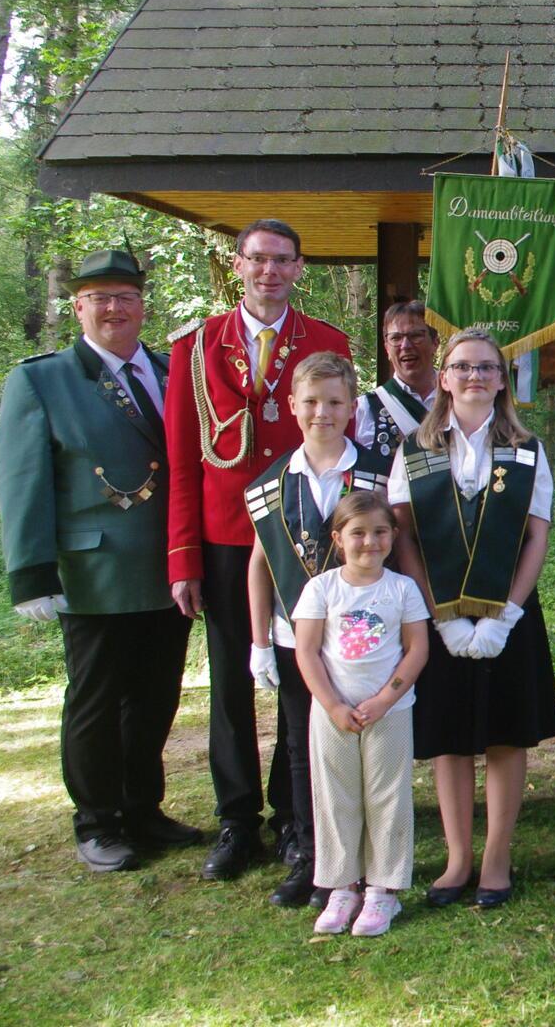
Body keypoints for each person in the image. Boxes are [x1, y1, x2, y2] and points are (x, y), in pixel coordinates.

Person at [0, 248, 201, 872]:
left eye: (127, 297)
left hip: (168, 569)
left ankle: (143, 809)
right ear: (78, 306)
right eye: (100, 298)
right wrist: (30, 573)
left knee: (157, 694)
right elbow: (23, 479)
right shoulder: (42, 380)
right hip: (96, 571)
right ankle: (98, 820)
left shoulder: (173, 373)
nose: (115, 309)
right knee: (96, 698)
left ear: (143, 306)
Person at [164, 218, 351, 880]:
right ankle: (236, 820)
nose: (269, 271)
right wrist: (182, 556)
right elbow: (183, 460)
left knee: (301, 679)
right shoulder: (195, 346)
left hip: (303, 534)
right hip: (225, 536)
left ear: (300, 268)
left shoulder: (327, 343)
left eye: (282, 260)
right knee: (232, 684)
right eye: (257, 259)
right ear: (237, 265)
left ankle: (294, 819)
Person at [388, 327, 555, 908]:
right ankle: (458, 857)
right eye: (462, 367)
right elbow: (404, 536)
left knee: (507, 733)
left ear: (501, 379)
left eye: (487, 368)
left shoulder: (528, 448)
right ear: (443, 377)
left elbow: (537, 537)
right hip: (437, 617)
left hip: (506, 615)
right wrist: (439, 619)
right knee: (450, 738)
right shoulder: (413, 448)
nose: (474, 377)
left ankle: (496, 856)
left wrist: (506, 616)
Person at [243, 352, 393, 908]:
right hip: (295, 641)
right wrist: (260, 642)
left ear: (352, 407)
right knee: (305, 749)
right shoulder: (269, 485)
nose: (321, 413)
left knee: (368, 746)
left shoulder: (382, 470)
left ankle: (371, 860)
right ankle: (314, 859)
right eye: (310, 402)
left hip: (368, 641)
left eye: (333, 402)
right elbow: (259, 564)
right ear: (292, 407)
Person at [291, 491, 431, 937]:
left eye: (379, 532)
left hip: (389, 713)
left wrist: (384, 700)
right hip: (333, 714)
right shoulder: (321, 589)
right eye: (358, 533)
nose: (369, 542)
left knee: (387, 796)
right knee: (336, 796)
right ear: (338, 538)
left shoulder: (403, 589)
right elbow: (307, 652)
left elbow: (417, 650)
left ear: (393, 536)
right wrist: (334, 705)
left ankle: (383, 891)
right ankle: (341, 886)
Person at [354, 300, 439, 459]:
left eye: (415, 336)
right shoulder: (366, 408)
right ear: (386, 348)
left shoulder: (457, 398)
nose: (405, 345)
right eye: (396, 338)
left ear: (435, 343)